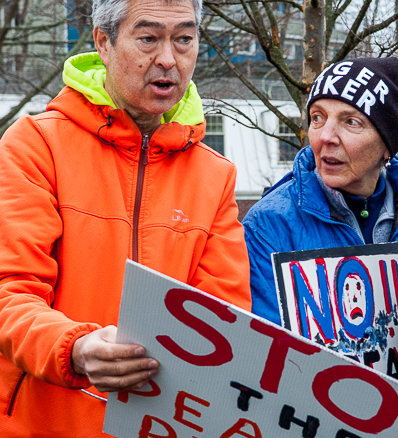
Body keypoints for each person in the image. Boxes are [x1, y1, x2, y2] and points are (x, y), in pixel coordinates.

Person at [0, 0, 251, 436]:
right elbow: (10, 293)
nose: (169, 59)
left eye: (185, 39)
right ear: (103, 41)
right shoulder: (34, 146)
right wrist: (73, 348)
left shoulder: (216, 175)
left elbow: (223, 321)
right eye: (149, 38)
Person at [243, 57, 398, 325]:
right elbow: (266, 338)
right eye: (318, 117)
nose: (326, 136)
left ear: (386, 145)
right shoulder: (268, 224)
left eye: (351, 122)